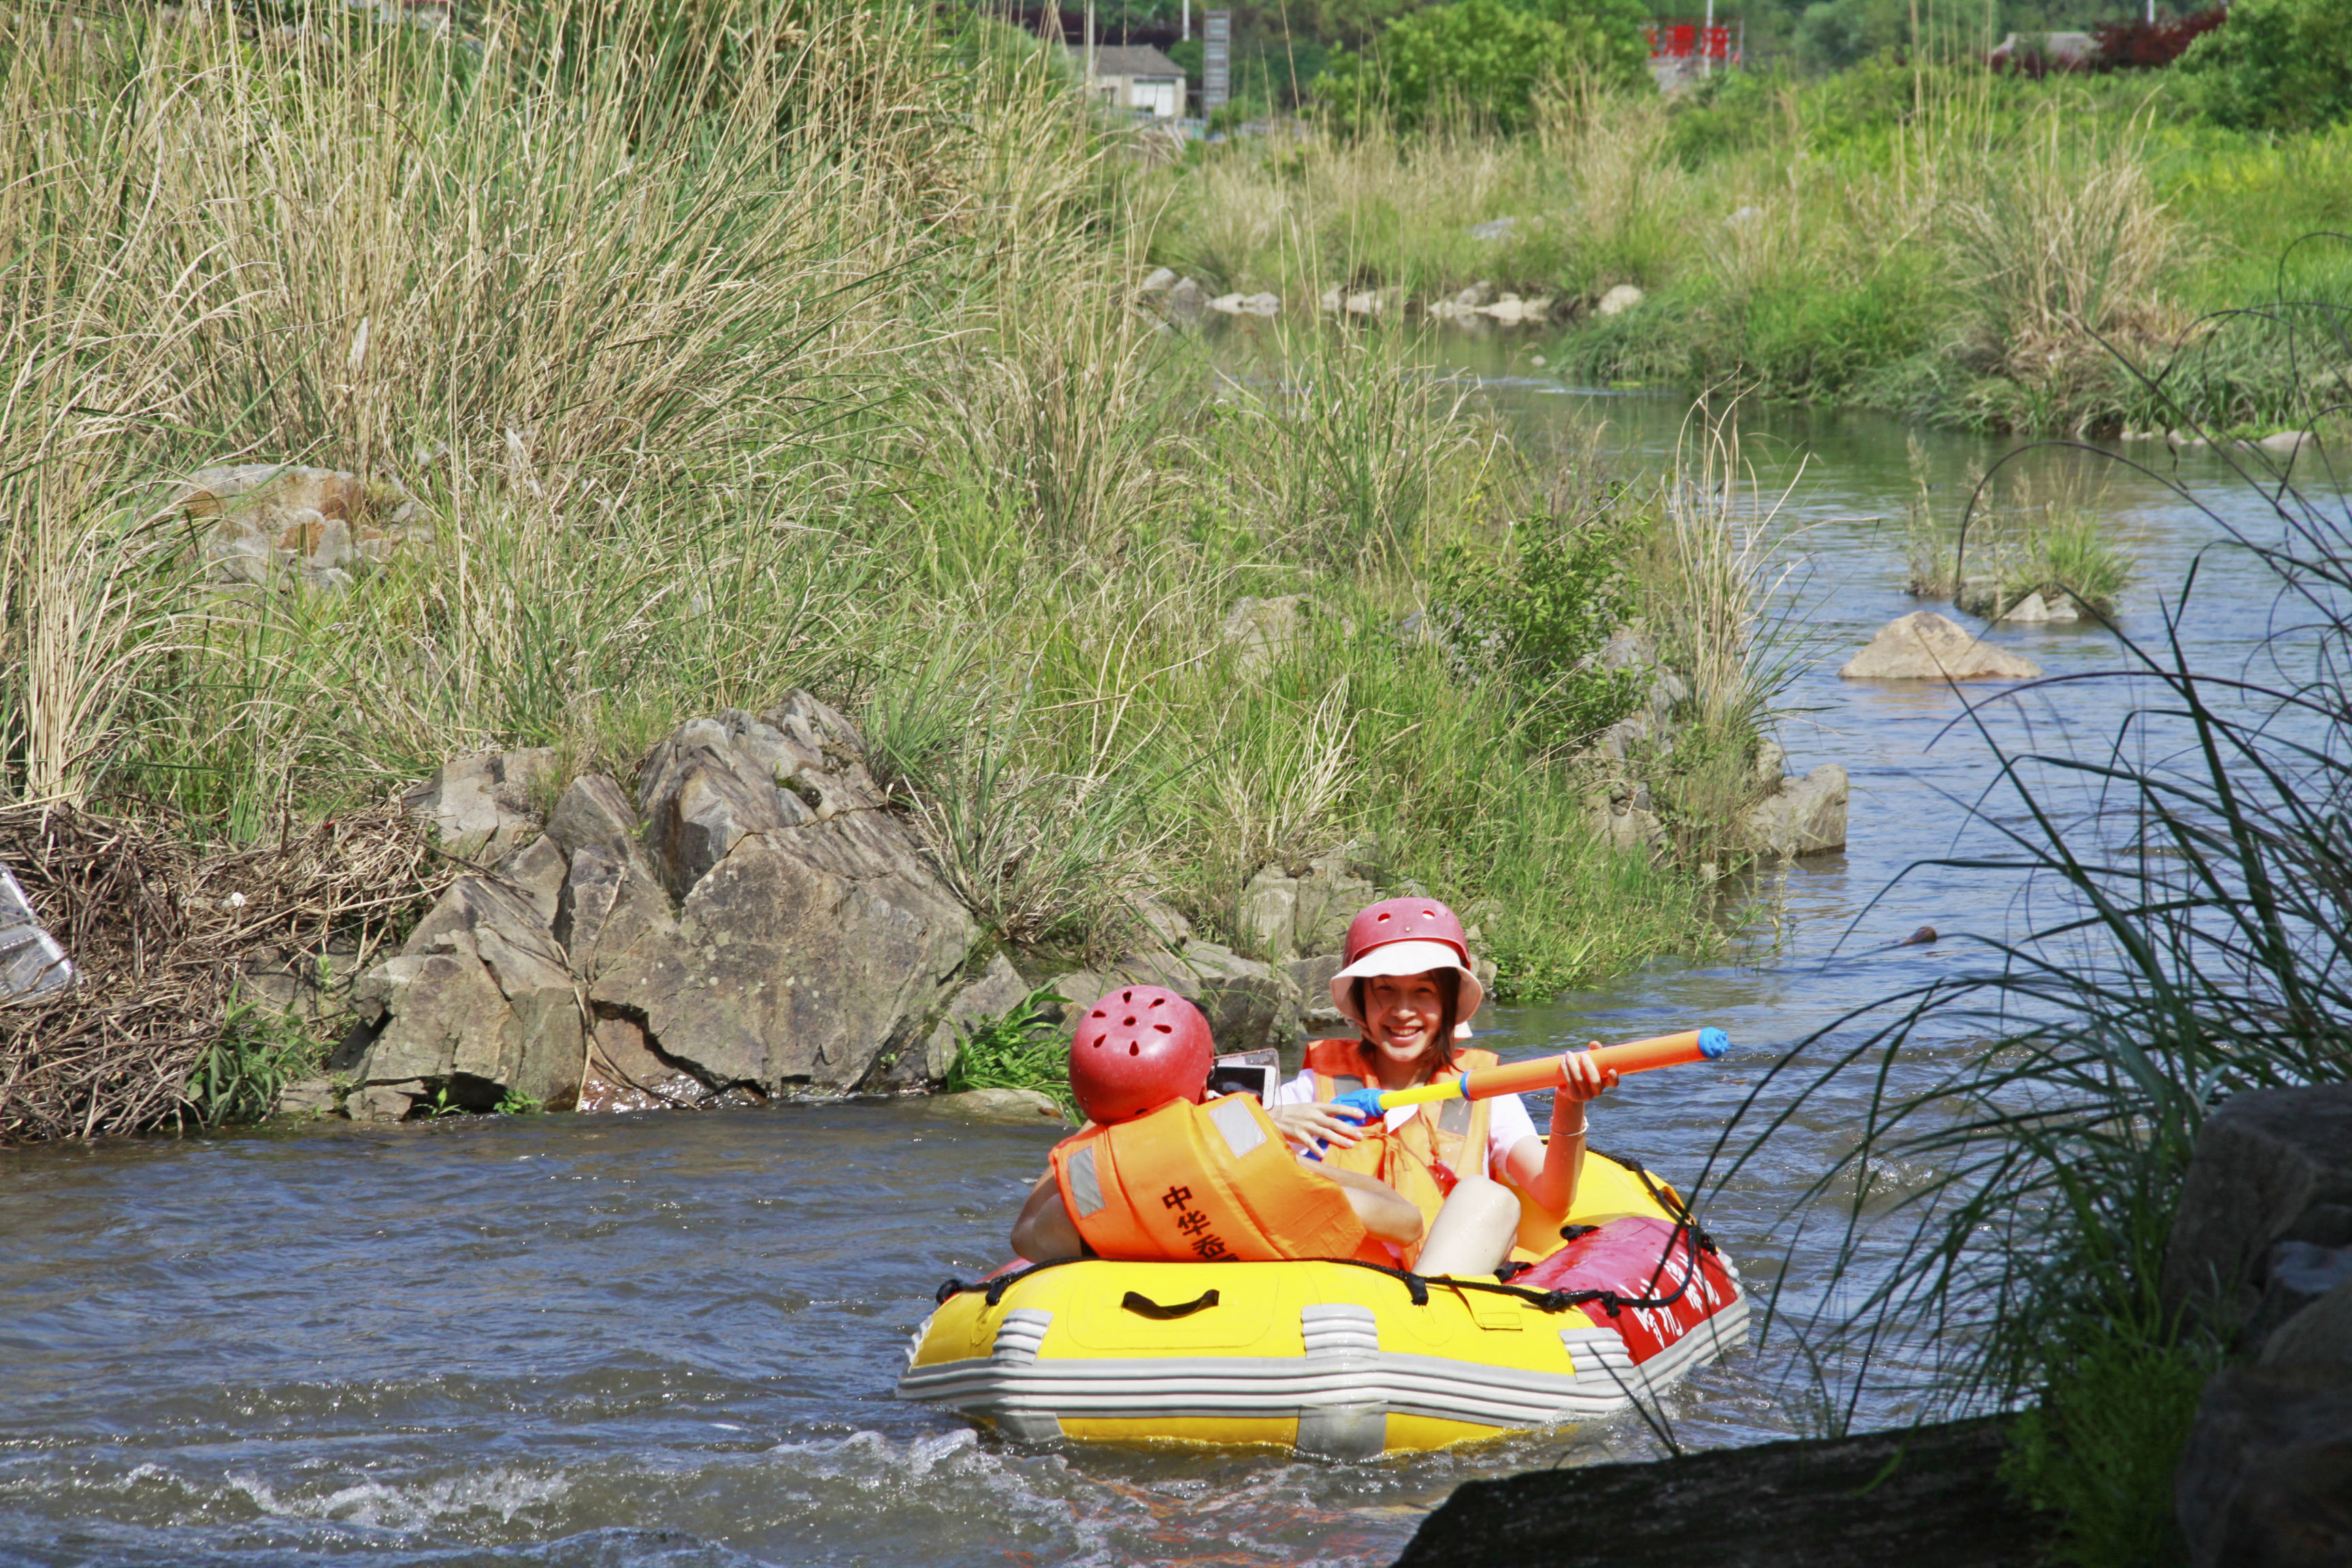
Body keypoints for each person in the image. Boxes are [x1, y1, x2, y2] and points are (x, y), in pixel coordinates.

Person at [1262, 898, 1617, 1274]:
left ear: (1449, 1005)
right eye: (1385, 990)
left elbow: (1554, 1197)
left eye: (1423, 992)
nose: (1402, 1011)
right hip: (1340, 1283)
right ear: (1361, 1003)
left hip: (1439, 1293)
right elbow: (1215, 1143)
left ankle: (1425, 1314)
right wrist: (1271, 1120)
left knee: (1490, 1196)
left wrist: (1569, 1102)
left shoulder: (1486, 1090)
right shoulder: (1310, 1089)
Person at [1009, 985, 1423, 1264]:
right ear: (1205, 1083)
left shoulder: (1074, 1202)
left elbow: (1023, 1234)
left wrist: (1097, 1129)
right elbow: (1406, 1221)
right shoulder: (1267, 1174)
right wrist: (1264, 1138)